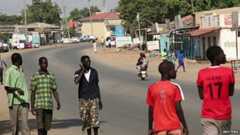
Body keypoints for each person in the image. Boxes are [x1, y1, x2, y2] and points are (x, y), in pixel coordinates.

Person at [197, 46, 235, 135]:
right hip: (225, 115)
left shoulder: (201, 73)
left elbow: (201, 96)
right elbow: (231, 92)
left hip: (208, 115)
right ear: (216, 57)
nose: (224, 55)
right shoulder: (229, 72)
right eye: (222, 53)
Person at [146, 60, 188, 135]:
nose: (175, 71)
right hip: (174, 126)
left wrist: (150, 128)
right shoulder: (175, 87)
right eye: (173, 69)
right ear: (168, 72)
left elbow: (151, 110)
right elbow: (178, 108)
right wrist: (185, 126)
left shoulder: (152, 88)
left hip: (159, 127)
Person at [30, 57, 61, 135]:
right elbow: (33, 92)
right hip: (39, 105)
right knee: (40, 127)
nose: (45, 65)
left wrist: (58, 101)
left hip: (48, 105)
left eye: (46, 63)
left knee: (46, 127)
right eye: (43, 63)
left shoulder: (51, 76)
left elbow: (54, 90)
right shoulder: (35, 76)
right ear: (39, 64)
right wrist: (32, 106)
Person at [74, 55, 103, 135]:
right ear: (82, 63)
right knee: (86, 121)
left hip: (93, 99)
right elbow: (76, 81)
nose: (88, 62)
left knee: (95, 121)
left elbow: (97, 86)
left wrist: (99, 100)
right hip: (83, 100)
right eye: (86, 61)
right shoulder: (77, 72)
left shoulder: (94, 72)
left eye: (89, 61)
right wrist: (82, 71)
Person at [3, 53, 30, 135]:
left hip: (24, 102)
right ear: (17, 60)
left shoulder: (21, 70)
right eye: (21, 58)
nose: (22, 60)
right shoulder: (9, 71)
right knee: (15, 127)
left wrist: (27, 100)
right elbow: (6, 87)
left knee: (25, 126)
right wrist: (17, 89)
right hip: (14, 102)